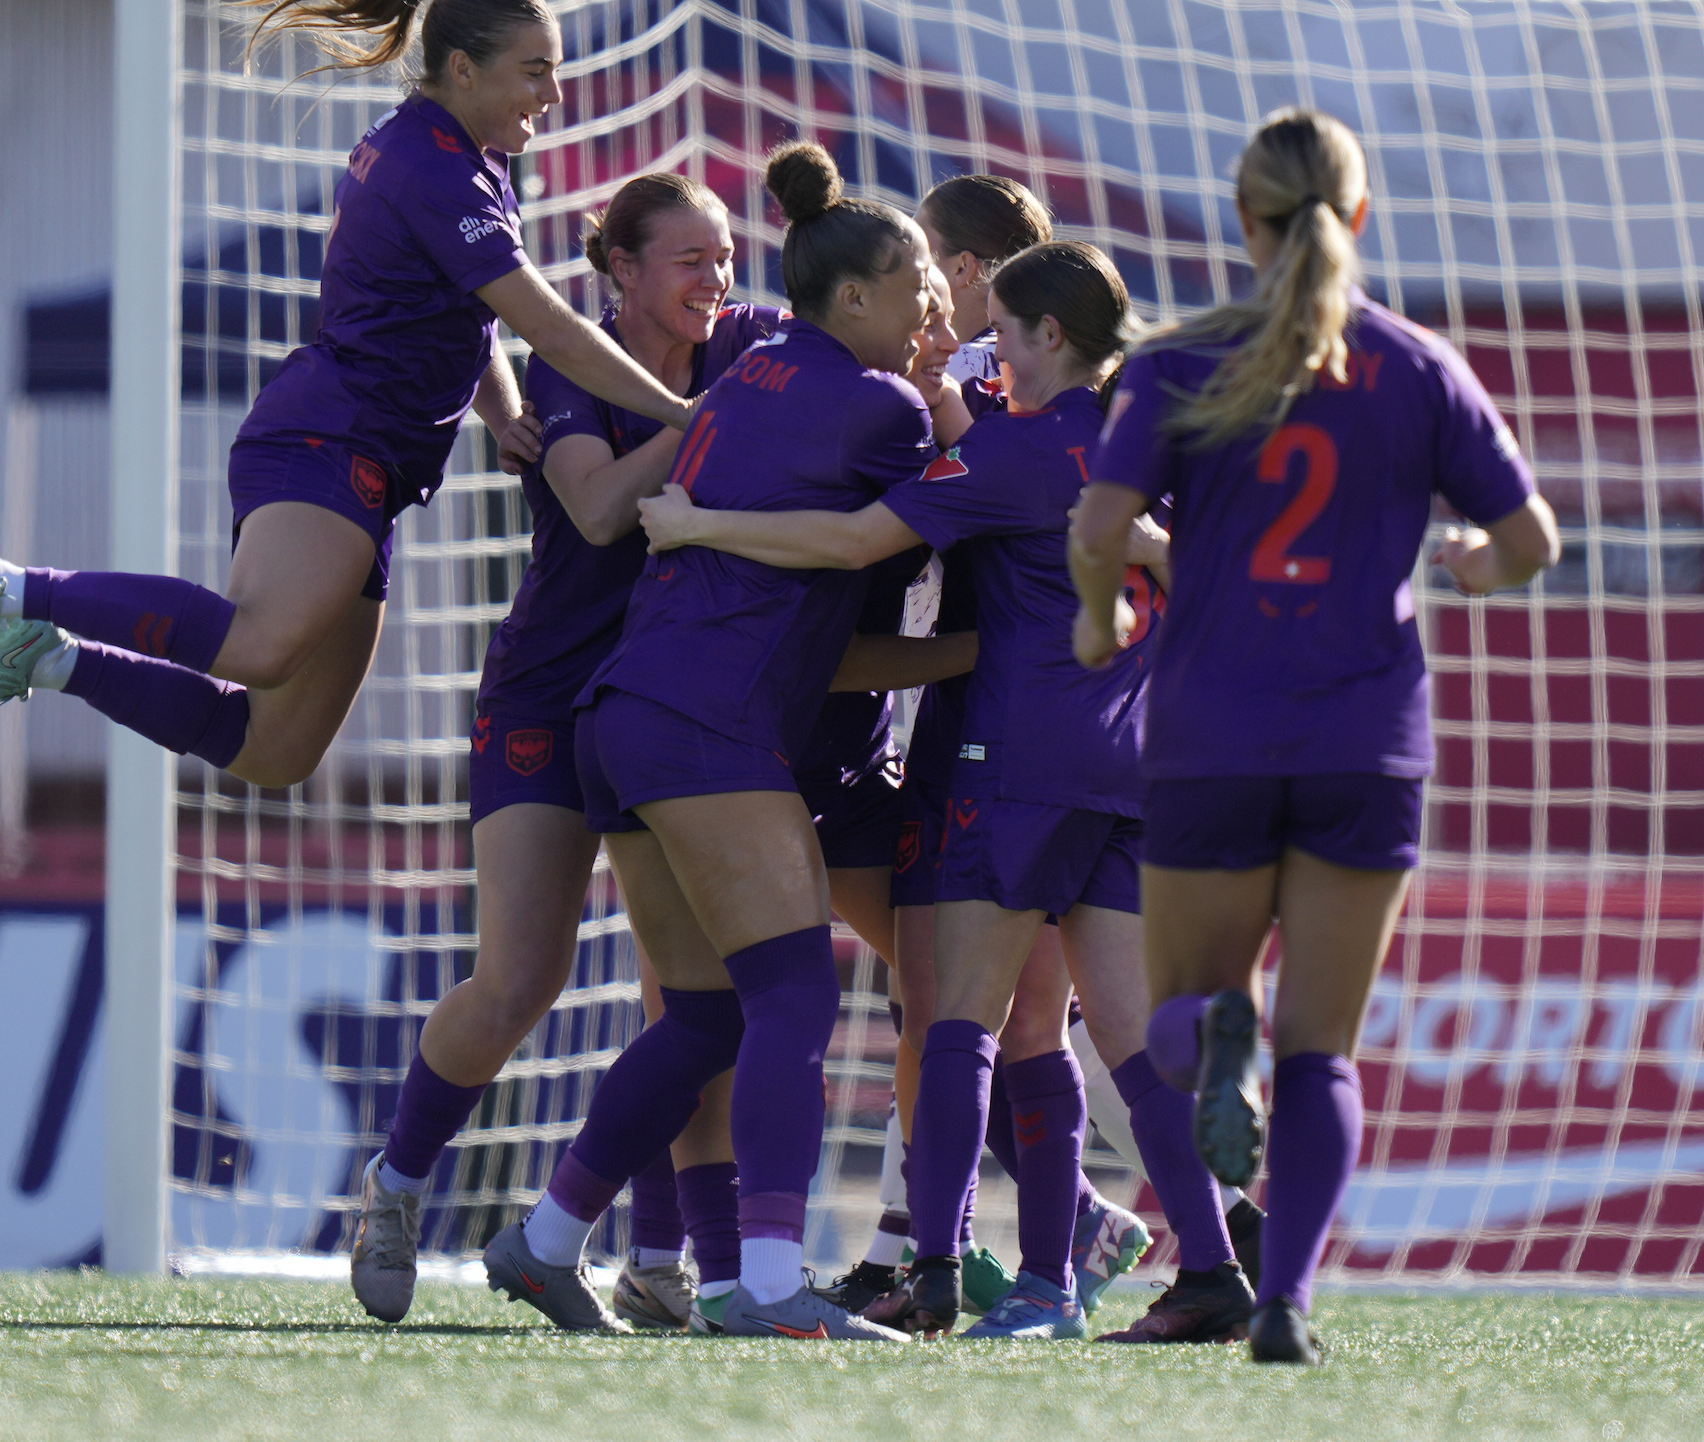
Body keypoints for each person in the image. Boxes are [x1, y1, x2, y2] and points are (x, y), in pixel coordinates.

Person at [0, 0, 691, 790]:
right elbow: (551, 327)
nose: (554, 93)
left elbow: (474, 311)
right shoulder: (433, 165)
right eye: (535, 70)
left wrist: (501, 413)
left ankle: (50, 658)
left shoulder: (469, 156)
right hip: (329, 439)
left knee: (275, 752)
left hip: (371, 464)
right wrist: (686, 414)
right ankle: (8, 584)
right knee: (259, 645)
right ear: (464, 69)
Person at [640, 241, 1223, 1340]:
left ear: (1049, 335)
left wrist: (700, 523)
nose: (985, 349)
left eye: (1000, 329)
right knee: (1121, 1043)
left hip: (1018, 763)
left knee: (959, 1022)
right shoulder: (1154, 441)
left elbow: (856, 538)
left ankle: (941, 1266)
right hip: (1131, 767)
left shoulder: (1016, 449)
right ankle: (1206, 1270)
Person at [1070, 108, 1560, 1364]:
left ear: (1242, 216)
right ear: (1361, 214)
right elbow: (1531, 541)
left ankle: (1214, 1049)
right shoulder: (1418, 364)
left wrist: (1096, 616)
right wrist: (1476, 566)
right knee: (1323, 1052)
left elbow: (1100, 523)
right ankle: (1284, 1304)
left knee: (1180, 1020)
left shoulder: (1180, 361)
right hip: (1365, 740)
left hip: (1212, 733)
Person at [486, 141, 937, 1341]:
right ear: (854, 297)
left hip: (619, 716)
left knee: (702, 1017)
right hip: (708, 726)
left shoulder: (746, 378)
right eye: (917, 286)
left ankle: (546, 1240)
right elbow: (917, 527)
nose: (932, 307)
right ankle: (767, 1284)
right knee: (792, 994)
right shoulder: (883, 407)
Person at [345, 174, 779, 1331]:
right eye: (689, 258)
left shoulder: (753, 341)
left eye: (725, 256)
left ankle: (678, 1264)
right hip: (548, 696)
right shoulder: (572, 366)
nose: (716, 279)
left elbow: (848, 353)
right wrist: (702, 420)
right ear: (619, 270)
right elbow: (593, 511)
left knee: (698, 1003)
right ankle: (397, 1184)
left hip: (671, 707)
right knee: (521, 980)